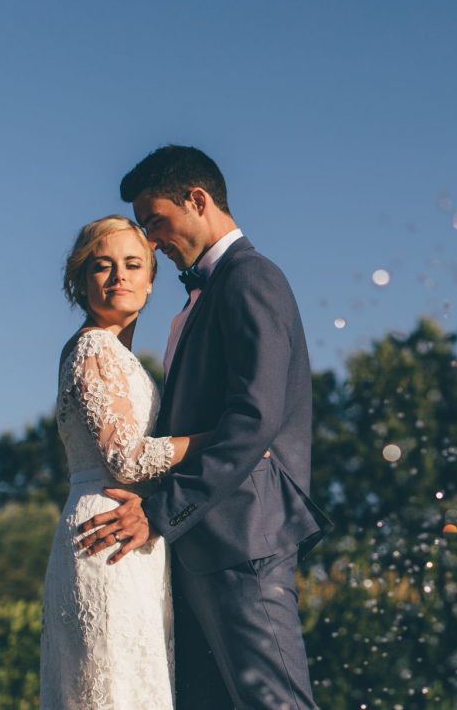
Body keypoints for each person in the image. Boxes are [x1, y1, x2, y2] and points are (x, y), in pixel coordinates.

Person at [77, 145, 332, 709]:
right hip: (199, 542)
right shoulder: (206, 293)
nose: (152, 240)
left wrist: (163, 510)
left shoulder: (250, 278)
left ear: (197, 200)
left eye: (156, 222)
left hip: (242, 536)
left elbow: (254, 417)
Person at [42, 215, 210, 708]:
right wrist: (220, 439)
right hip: (106, 532)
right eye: (103, 266)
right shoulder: (95, 347)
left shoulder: (118, 354)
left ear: (151, 281)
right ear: (81, 281)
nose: (119, 276)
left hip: (123, 529)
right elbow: (128, 459)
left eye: (133, 264)